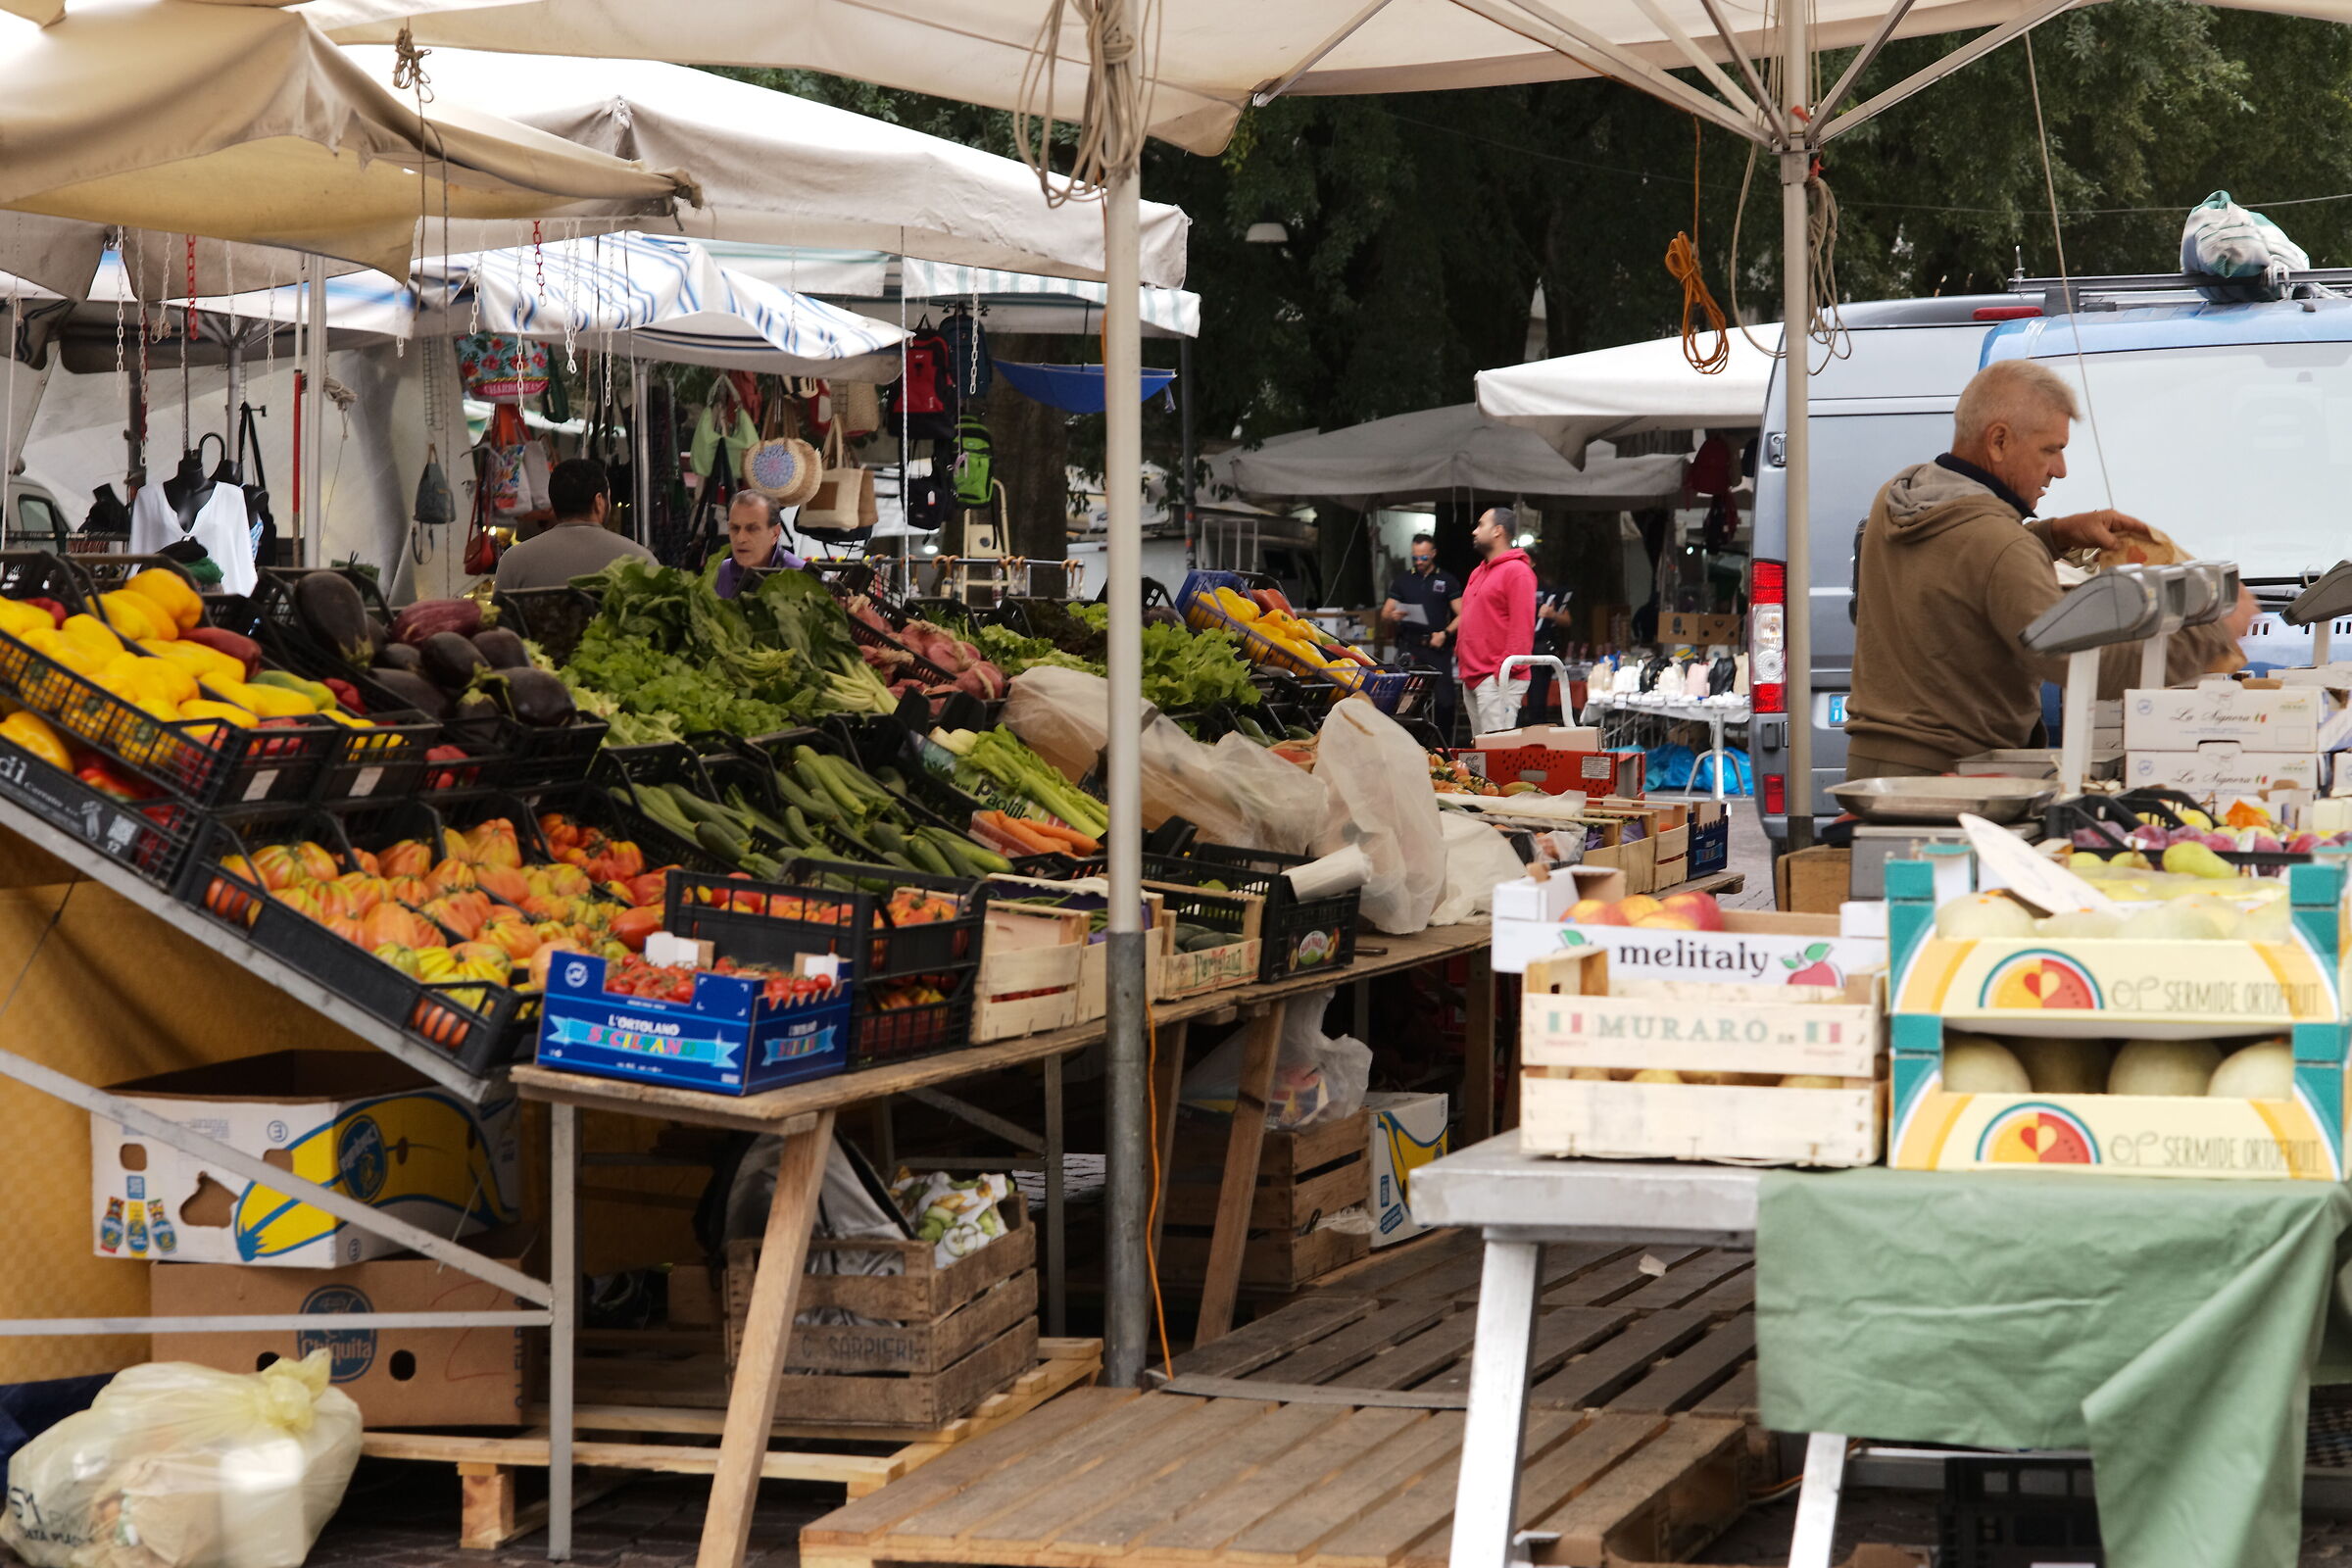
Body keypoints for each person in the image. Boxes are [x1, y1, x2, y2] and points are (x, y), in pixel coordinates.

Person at [1845, 360, 2254, 779]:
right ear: (1998, 441)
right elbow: (2083, 665)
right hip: (1949, 779)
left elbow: (1959, 562)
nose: (2060, 470)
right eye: (2050, 450)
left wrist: (2055, 533)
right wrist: (2212, 630)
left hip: (1869, 767)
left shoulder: (1899, 498)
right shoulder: (2000, 545)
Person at [492, 458, 653, 591]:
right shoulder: (639, 560)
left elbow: (499, 618)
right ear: (599, 501)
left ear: (553, 504)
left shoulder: (513, 561)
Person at [1454, 506, 1539, 737]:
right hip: (1474, 675)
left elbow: (1523, 629)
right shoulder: (1478, 572)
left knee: (1496, 751)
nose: (1474, 531)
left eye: (1481, 525)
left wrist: (1503, 671)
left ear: (1497, 531)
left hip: (1497, 677)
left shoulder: (1518, 571)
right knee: (1482, 751)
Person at [1381, 532, 1462, 735]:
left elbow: (1463, 614)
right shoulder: (1403, 580)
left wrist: (1445, 633)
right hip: (1410, 646)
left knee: (1445, 701)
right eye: (1415, 557)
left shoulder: (1447, 580)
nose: (1419, 561)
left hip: (1437, 647)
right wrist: (1392, 616)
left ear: (1433, 553)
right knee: (1406, 700)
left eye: (1423, 557)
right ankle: (1410, 740)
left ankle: (1442, 742)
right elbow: (1385, 613)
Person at [712, 493, 807, 600]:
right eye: (735, 528)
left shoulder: (802, 577)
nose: (740, 538)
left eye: (752, 529)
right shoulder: (722, 571)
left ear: (775, 534)